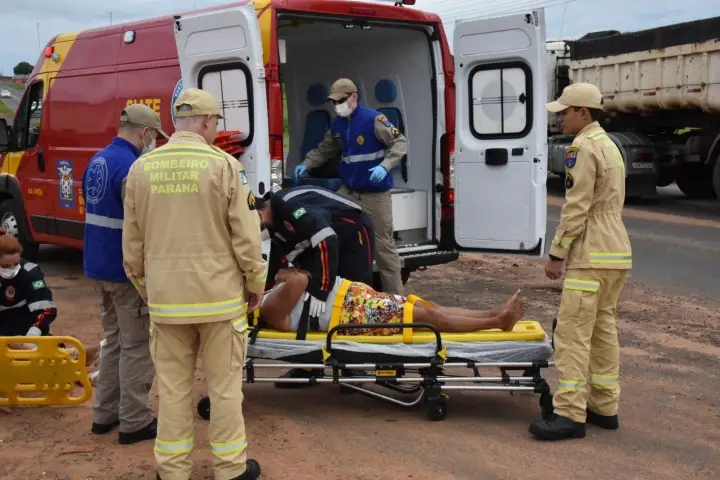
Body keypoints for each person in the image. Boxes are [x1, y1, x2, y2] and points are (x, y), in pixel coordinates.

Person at [122, 88, 266, 480]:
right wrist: (255, 283)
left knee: (171, 390)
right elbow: (247, 237)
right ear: (205, 121)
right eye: (215, 122)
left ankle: (172, 471)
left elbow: (132, 246)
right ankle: (230, 469)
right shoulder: (224, 166)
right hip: (220, 302)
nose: (215, 128)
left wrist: (147, 289)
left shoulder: (141, 169)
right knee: (224, 389)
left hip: (167, 303)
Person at [529, 83, 632, 441]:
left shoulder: (582, 147)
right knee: (603, 330)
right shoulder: (610, 145)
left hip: (590, 253)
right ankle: (604, 407)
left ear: (583, 113)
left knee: (572, 334)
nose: (560, 118)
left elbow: (576, 207)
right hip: (616, 252)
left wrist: (557, 254)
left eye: (565, 111)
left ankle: (570, 414)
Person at [82, 103, 167, 445]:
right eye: (154, 136)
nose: (154, 142)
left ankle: (105, 414)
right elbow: (143, 223)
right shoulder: (134, 168)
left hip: (97, 266)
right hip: (124, 271)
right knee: (136, 346)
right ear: (145, 133)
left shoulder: (98, 160)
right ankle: (135, 421)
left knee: (113, 340)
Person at [295, 78, 406, 295]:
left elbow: (399, 143)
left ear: (354, 97)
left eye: (341, 101)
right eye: (334, 102)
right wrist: (306, 164)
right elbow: (325, 150)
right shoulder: (337, 124)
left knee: (383, 248)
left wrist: (384, 166)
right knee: (327, 228)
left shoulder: (374, 120)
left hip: (375, 195)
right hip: (349, 191)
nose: (337, 106)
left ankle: (397, 300)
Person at [258, 267, 525, 335]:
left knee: (425, 307)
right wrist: (285, 274)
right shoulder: (268, 309)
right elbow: (300, 279)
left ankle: (492, 313)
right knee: (427, 317)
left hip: (354, 300)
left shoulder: (270, 299)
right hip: (352, 313)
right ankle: (496, 322)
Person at [257, 185, 376, 306]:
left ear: (259, 215)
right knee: (333, 291)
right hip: (331, 236)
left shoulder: (289, 206)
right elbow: (297, 253)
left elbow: (326, 239)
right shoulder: (274, 224)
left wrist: (321, 289)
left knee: (357, 291)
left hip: (353, 229)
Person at [0, 228, 99, 367]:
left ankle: (74, 356)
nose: (12, 269)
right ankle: (73, 356)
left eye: (16, 264)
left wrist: (33, 334)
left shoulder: (30, 273)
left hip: (25, 330)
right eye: (5, 266)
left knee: (34, 349)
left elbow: (46, 309)